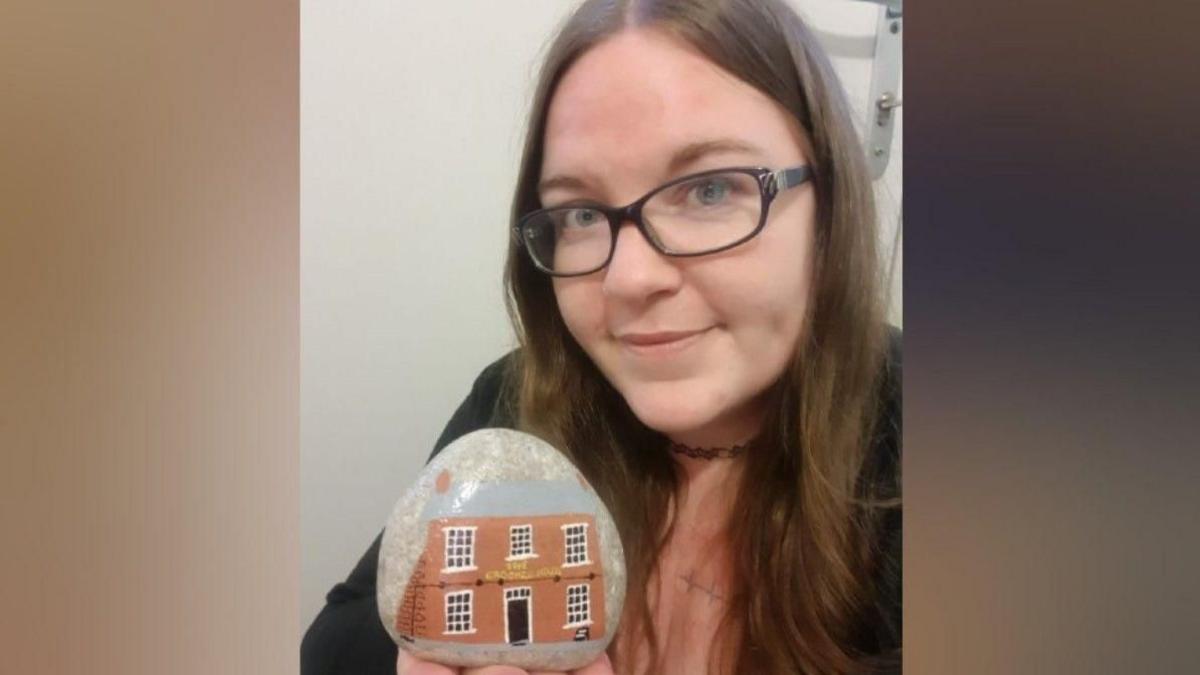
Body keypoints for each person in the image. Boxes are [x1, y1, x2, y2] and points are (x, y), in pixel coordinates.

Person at [301, 0, 901, 673]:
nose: (629, 277)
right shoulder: (517, 400)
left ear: (827, 207)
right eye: (580, 212)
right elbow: (333, 644)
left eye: (707, 191)